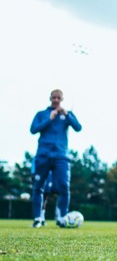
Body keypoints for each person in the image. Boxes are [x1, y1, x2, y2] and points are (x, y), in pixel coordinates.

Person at [29, 89, 81, 228]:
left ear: (62, 99)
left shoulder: (66, 115)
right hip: (43, 155)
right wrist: (49, 119)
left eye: (58, 98)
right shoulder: (42, 114)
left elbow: (78, 127)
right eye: (54, 97)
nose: (56, 100)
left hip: (61, 156)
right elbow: (33, 130)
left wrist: (67, 115)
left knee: (64, 187)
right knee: (38, 187)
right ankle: (38, 218)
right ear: (50, 98)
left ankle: (62, 218)